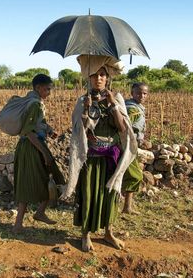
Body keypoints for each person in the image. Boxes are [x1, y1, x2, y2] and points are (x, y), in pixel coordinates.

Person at [60, 55, 137, 252]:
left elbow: (122, 128)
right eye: (94, 75)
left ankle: (108, 232)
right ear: (89, 78)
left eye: (102, 75)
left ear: (107, 78)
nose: (98, 79)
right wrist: (86, 109)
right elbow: (80, 132)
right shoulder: (83, 100)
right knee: (89, 195)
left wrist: (112, 105)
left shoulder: (116, 98)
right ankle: (85, 234)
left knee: (109, 196)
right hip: (91, 159)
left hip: (111, 157)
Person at [12, 73, 62, 233]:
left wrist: (48, 129)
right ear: (38, 88)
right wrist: (45, 154)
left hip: (31, 146)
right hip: (31, 147)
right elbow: (29, 132)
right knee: (40, 180)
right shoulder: (35, 104)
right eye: (47, 89)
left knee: (43, 179)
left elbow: (37, 124)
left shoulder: (34, 102)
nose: (49, 92)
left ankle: (38, 213)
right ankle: (19, 224)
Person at [122, 83, 149, 214]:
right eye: (138, 93)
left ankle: (127, 206)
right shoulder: (132, 109)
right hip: (125, 146)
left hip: (131, 146)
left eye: (144, 93)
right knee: (135, 175)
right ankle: (126, 207)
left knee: (128, 175)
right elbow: (124, 127)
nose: (142, 96)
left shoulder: (138, 108)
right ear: (132, 93)